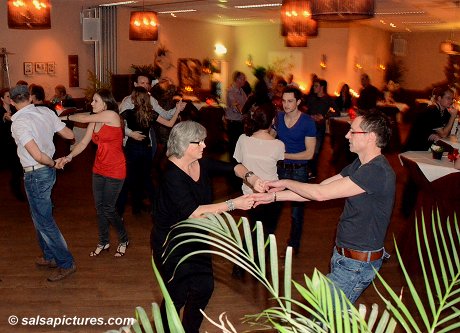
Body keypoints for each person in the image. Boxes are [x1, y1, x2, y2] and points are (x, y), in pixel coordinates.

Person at [254, 111, 396, 304]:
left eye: (352, 132)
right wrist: (273, 196)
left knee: (320, 317)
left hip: (357, 265)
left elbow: (320, 195)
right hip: (345, 257)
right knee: (332, 317)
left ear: (371, 137)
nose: (347, 136)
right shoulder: (360, 165)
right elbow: (319, 188)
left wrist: (286, 182)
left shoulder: (376, 171)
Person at [151, 121, 255, 333]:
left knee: (204, 287)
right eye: (199, 142)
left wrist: (251, 177)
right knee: (176, 294)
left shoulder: (201, 164)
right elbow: (194, 211)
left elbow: (233, 166)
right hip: (171, 243)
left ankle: (190, 329)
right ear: (183, 145)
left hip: (196, 239)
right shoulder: (171, 175)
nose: (204, 145)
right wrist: (234, 204)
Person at [9, 84, 76, 282]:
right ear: (29, 98)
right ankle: (49, 256)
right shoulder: (45, 112)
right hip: (45, 173)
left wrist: (52, 162)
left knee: (44, 221)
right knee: (38, 216)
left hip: (37, 173)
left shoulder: (19, 123)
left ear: (12, 102)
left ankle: (66, 262)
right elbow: (70, 135)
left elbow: (37, 155)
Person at [57, 89, 129, 257]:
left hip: (115, 169)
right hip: (98, 169)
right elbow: (82, 144)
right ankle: (103, 242)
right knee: (99, 209)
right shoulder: (94, 121)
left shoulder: (111, 115)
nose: (91, 103)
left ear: (105, 103)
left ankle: (124, 239)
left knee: (109, 209)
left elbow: (82, 117)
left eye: (95, 101)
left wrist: (62, 117)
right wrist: (68, 157)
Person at [117, 86, 181, 216]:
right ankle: (157, 206)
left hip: (132, 148)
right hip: (146, 148)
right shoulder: (151, 113)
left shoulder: (128, 112)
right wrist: (177, 110)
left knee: (130, 178)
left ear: (134, 99)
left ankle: (122, 211)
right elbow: (169, 124)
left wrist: (130, 133)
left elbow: (117, 124)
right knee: (146, 178)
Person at [233, 103, 285, 257]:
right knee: (268, 230)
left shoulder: (243, 139)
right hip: (270, 192)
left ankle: (245, 262)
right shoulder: (278, 145)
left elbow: (238, 162)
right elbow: (279, 162)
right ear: (273, 122)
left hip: (249, 191)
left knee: (255, 228)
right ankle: (257, 260)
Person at [273, 86, 316, 255]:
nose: (286, 104)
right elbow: (269, 137)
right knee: (273, 209)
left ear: (298, 102)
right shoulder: (278, 117)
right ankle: (266, 245)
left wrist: (283, 155)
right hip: (279, 169)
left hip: (299, 171)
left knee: (297, 214)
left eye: (290, 101)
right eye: (283, 101)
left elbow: (309, 153)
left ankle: (293, 247)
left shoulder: (307, 122)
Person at [404, 86, 457, 151]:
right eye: (448, 98)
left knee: (451, 150)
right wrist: (453, 116)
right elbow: (444, 134)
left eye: (452, 99)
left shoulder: (445, 112)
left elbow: (448, 132)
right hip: (416, 147)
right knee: (446, 151)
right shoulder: (432, 111)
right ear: (439, 98)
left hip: (429, 144)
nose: (451, 101)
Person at [306, 78, 335, 179]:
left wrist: (324, 117)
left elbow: (336, 111)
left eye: (316, 86)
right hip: (309, 127)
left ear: (322, 87)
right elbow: (307, 110)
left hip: (319, 128)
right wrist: (310, 116)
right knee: (307, 148)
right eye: (314, 86)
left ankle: (313, 172)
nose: (314, 87)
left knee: (316, 151)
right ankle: (309, 170)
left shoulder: (328, 99)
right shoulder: (311, 98)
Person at [0, 87, 25, 201]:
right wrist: (4, 118)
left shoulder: (16, 110)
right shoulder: (1, 111)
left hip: (15, 143)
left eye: (10, 96)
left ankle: (16, 189)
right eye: (7, 96)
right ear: (2, 98)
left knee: (17, 168)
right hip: (4, 144)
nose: (10, 98)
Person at [225, 71, 248, 155]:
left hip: (240, 122)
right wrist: (243, 110)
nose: (245, 80)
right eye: (243, 78)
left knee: (239, 146)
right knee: (233, 146)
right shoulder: (231, 91)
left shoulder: (241, 90)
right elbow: (235, 106)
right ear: (237, 79)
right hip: (233, 122)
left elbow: (246, 103)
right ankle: (231, 167)